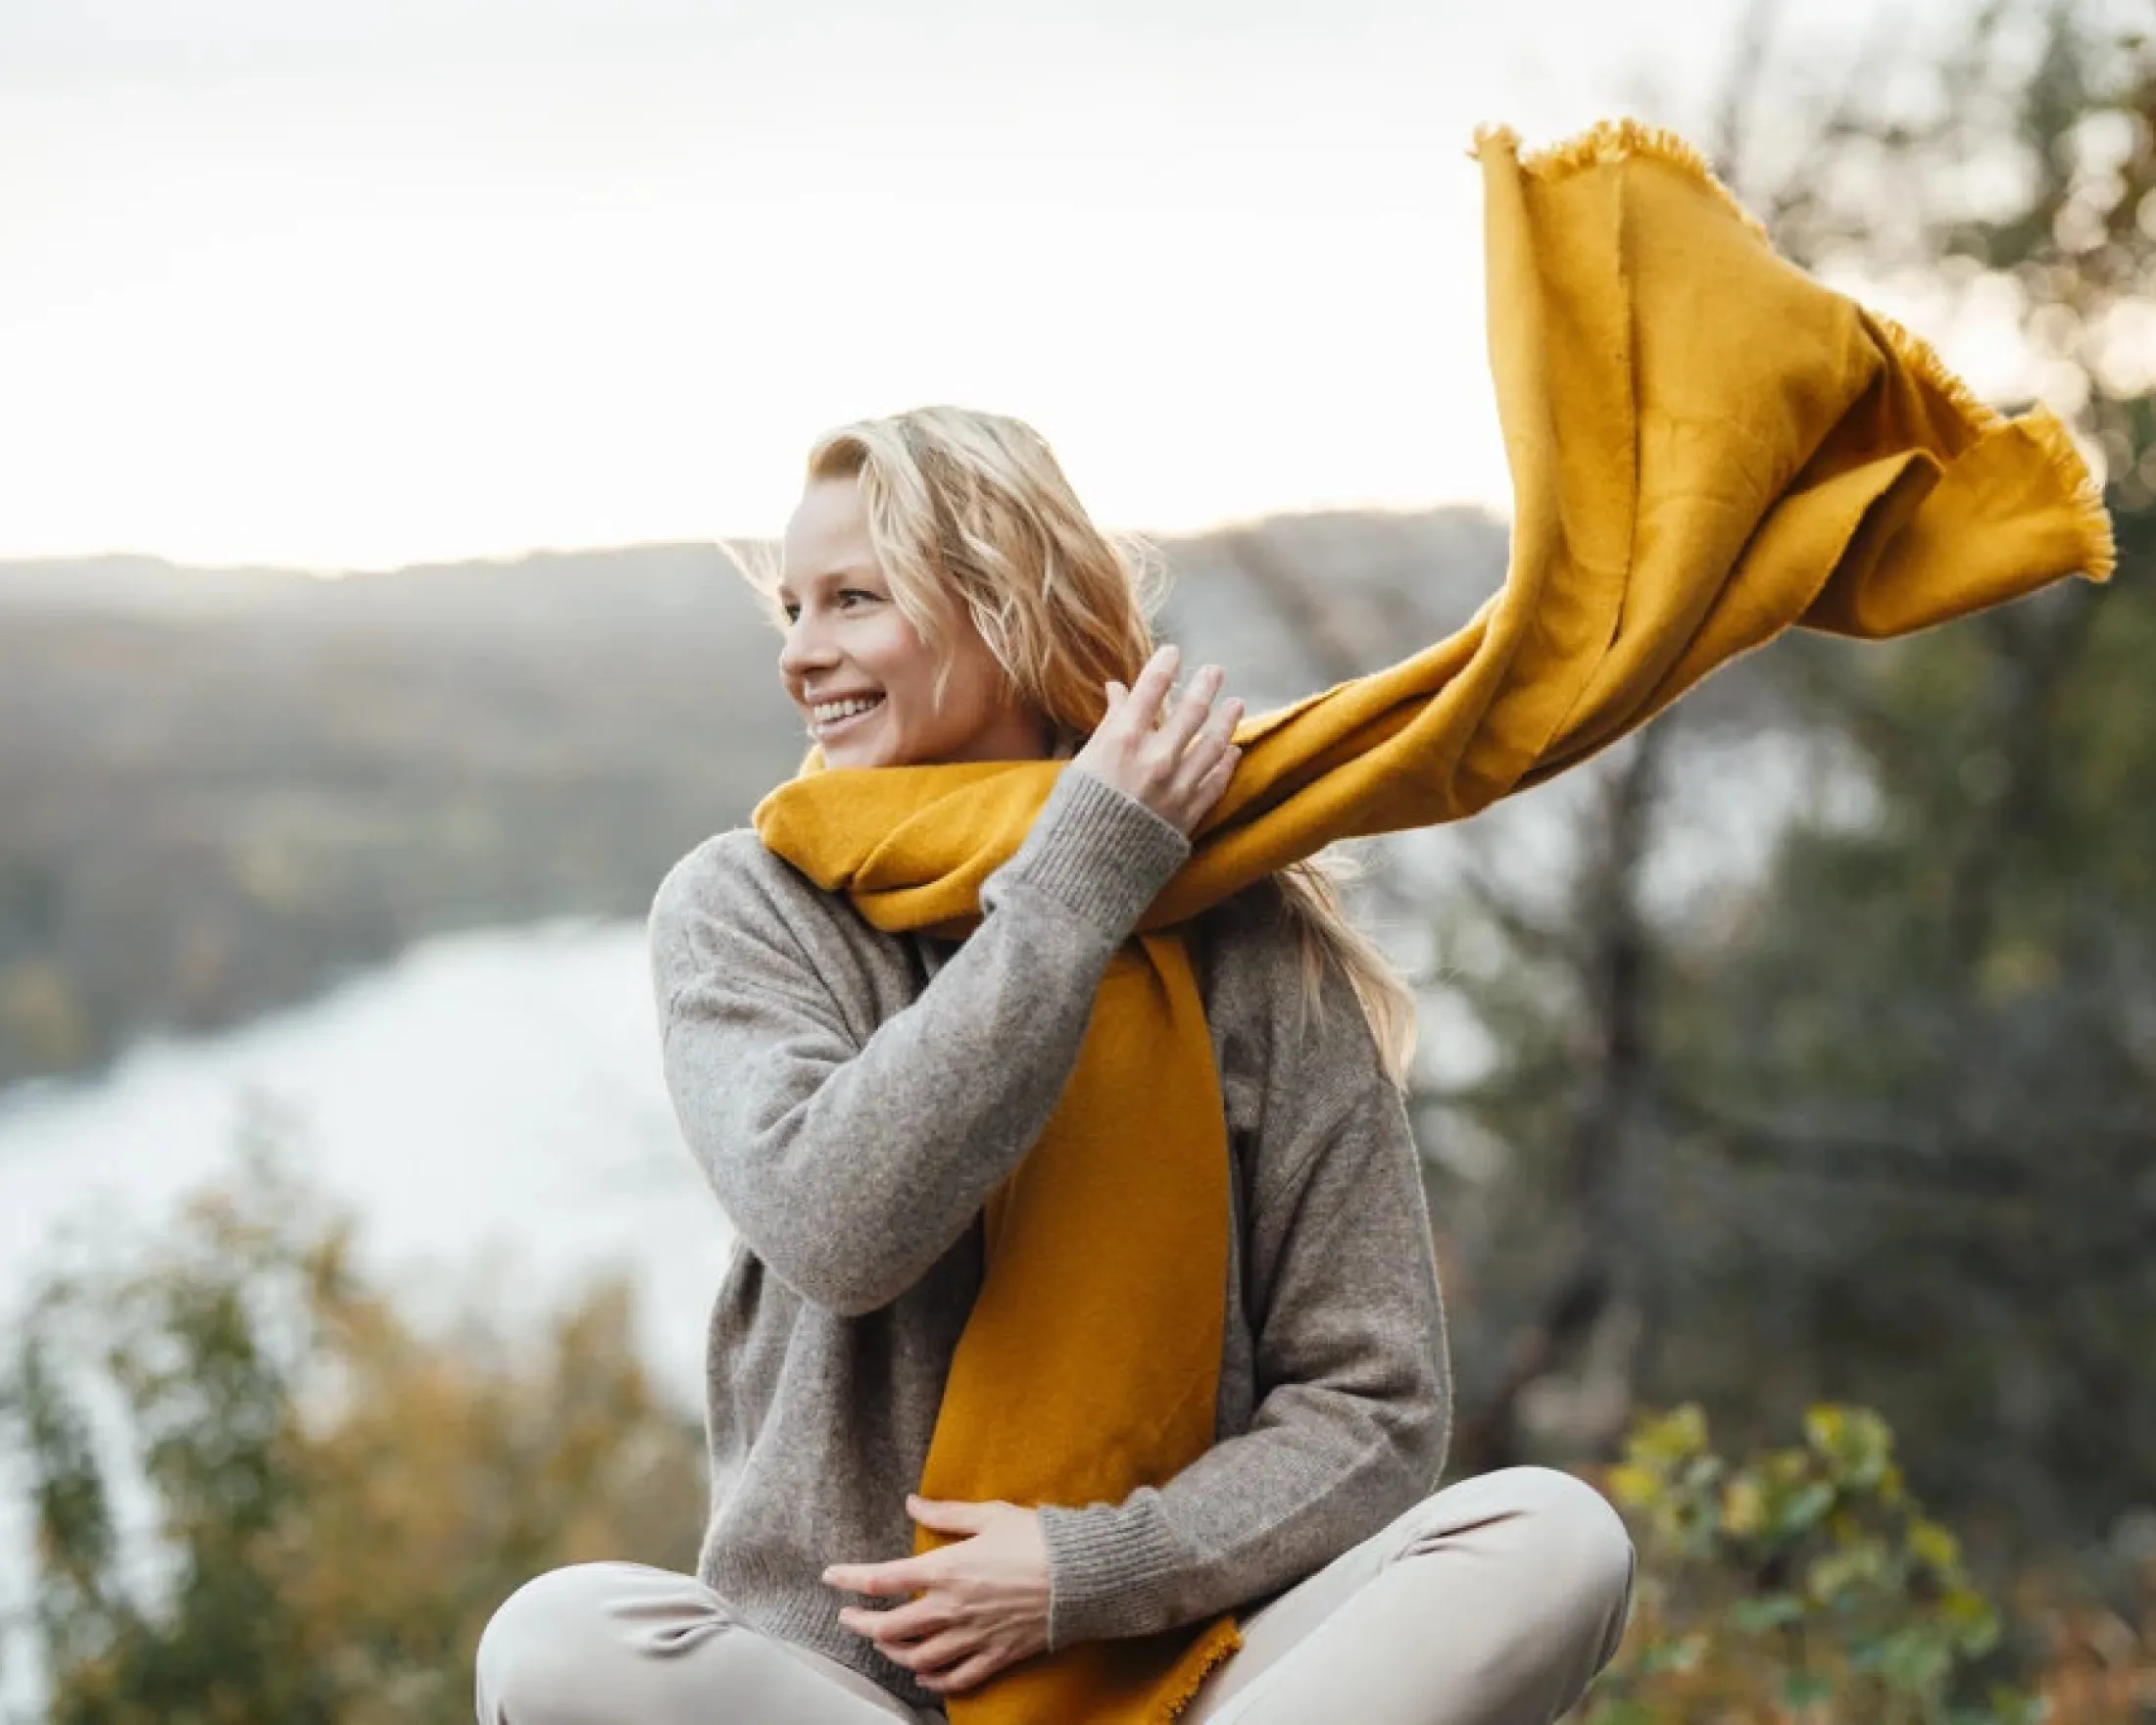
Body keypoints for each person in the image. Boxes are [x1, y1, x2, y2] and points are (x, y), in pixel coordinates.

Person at [475, 406, 1636, 1724]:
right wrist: (1079, 887)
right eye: (791, 611)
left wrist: (1090, 1571)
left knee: (1551, 1537)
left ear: (1004, 605)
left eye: (852, 600)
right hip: (847, 1689)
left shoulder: (1248, 934)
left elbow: (1373, 1403)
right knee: (556, 1643)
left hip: (1210, 1667)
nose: (804, 656)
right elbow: (840, 1225)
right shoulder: (747, 906)